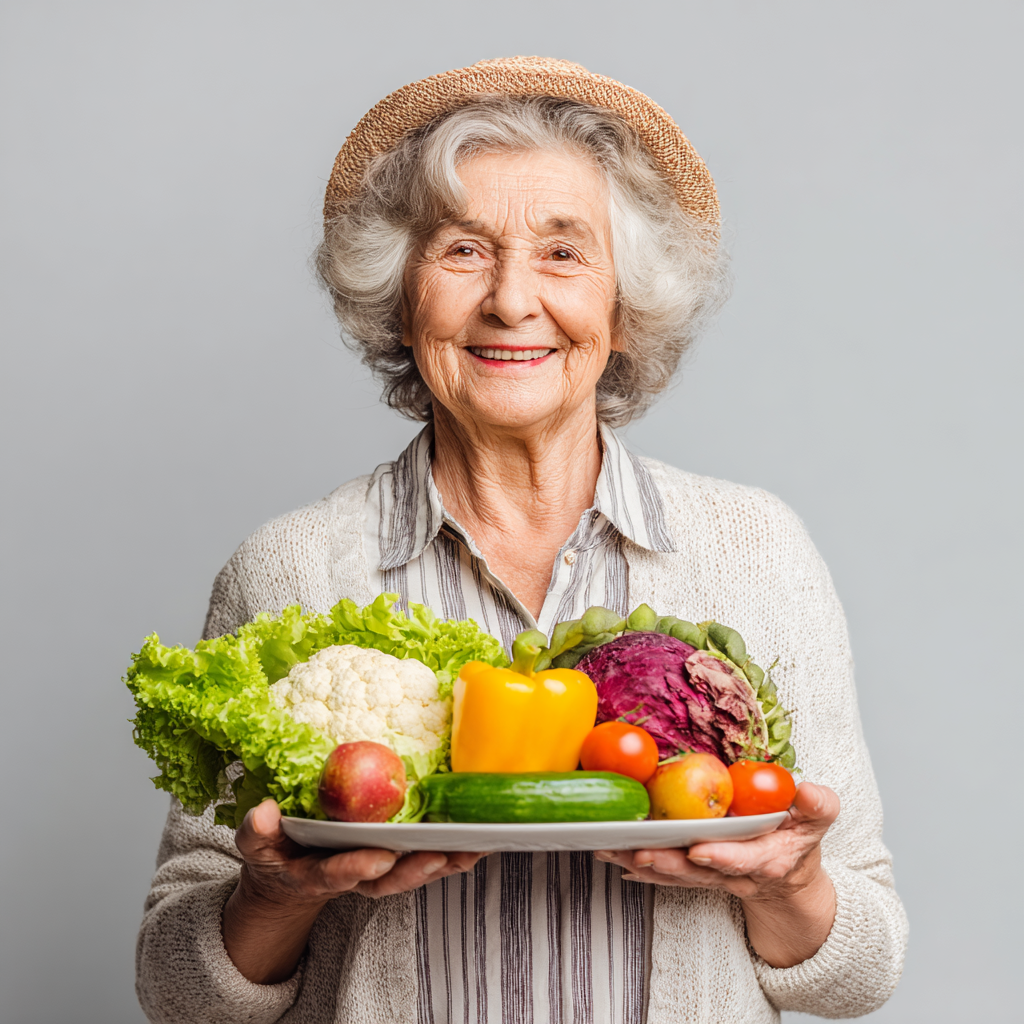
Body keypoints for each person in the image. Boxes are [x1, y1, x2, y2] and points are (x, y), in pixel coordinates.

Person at [135, 57, 907, 1024]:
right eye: (463, 250)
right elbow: (177, 993)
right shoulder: (287, 568)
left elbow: (862, 968)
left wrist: (783, 885)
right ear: (402, 299)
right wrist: (277, 894)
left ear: (623, 310)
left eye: (563, 253)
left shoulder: (757, 549)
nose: (510, 300)